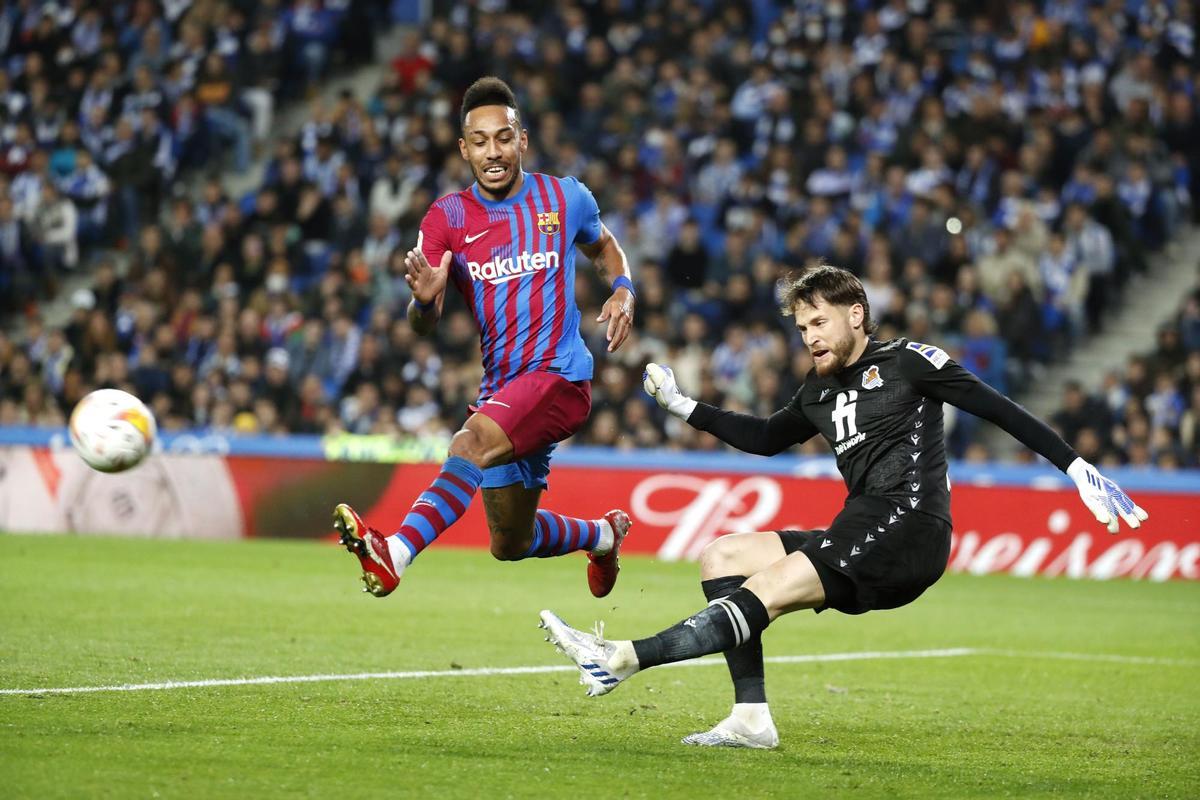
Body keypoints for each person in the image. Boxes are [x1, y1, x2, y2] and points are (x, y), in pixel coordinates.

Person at [539, 264, 1147, 749]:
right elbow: (764, 438)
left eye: (819, 322)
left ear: (856, 315)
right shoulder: (817, 390)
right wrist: (682, 406)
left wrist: (1076, 466)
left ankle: (620, 658)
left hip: (910, 524)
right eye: (802, 328)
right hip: (862, 524)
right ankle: (751, 717)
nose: (810, 337)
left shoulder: (910, 363)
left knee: (770, 587)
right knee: (723, 555)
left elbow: (999, 409)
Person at [335, 77, 637, 599]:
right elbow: (419, 324)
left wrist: (623, 288)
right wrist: (424, 302)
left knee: (467, 445)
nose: (492, 152)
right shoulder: (446, 218)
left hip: (560, 377)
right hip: (504, 387)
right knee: (510, 542)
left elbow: (604, 246)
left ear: (521, 140)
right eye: (480, 141)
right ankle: (605, 536)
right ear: (464, 148)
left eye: (503, 138)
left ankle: (396, 553)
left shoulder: (564, 197)